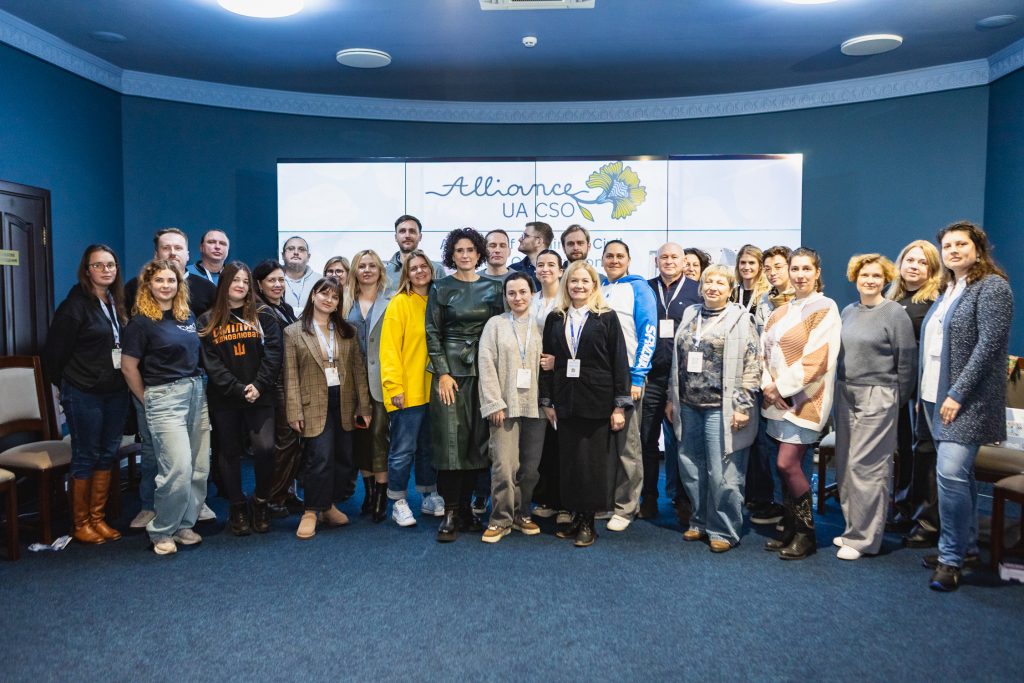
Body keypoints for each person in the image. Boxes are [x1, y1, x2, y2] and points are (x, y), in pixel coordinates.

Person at [919, 221, 1013, 591]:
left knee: (951, 475)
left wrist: (957, 393)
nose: (953, 250)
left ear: (979, 248)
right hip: (933, 395)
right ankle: (968, 546)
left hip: (965, 401)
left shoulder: (992, 287)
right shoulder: (948, 288)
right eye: (947, 245)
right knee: (961, 477)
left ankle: (951, 558)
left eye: (962, 244)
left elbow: (989, 347)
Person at [124, 228, 218, 529]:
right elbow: (129, 362)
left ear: (188, 255)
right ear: (156, 255)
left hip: (194, 388)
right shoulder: (135, 300)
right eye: (167, 248)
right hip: (155, 392)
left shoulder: (198, 298)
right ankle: (151, 507)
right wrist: (146, 398)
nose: (173, 253)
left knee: (196, 459)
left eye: (179, 248)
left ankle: (191, 510)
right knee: (157, 454)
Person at [667, 264, 760, 552]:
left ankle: (725, 529)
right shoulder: (690, 314)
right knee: (692, 468)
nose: (713, 287)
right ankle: (699, 521)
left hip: (723, 407)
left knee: (723, 472)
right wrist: (672, 399)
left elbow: (752, 365)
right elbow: (677, 361)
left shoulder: (742, 319)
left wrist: (743, 406)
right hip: (688, 404)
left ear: (730, 289)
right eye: (709, 282)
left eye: (720, 283)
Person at [539, 260, 631, 547]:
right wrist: (547, 401)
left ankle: (589, 521)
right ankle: (576, 516)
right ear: (566, 284)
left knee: (591, 465)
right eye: (573, 281)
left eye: (584, 281)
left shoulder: (607, 317)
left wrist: (619, 405)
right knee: (569, 463)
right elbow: (545, 362)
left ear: (594, 285)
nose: (578, 286)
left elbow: (618, 363)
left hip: (597, 401)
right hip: (565, 401)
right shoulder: (556, 317)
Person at [43, 244, 130, 544]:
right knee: (86, 455)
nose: (106, 270)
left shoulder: (115, 301)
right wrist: (67, 386)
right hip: (83, 393)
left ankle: (97, 518)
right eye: (98, 265)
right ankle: (80, 523)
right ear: (87, 270)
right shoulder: (74, 306)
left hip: (115, 391)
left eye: (111, 265)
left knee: (108, 453)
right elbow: (54, 356)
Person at [833, 254, 916, 560]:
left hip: (878, 396)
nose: (870, 280)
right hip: (846, 393)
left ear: (886, 280)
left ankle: (864, 539)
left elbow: (907, 362)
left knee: (866, 468)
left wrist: (895, 400)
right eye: (865, 275)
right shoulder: (848, 311)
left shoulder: (894, 313)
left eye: (877, 276)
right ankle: (852, 528)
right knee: (845, 465)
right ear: (855, 278)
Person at [760, 247, 841, 560]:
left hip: (806, 401)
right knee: (782, 469)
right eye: (796, 269)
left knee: (787, 463)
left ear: (817, 272)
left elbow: (818, 359)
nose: (801, 275)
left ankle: (807, 535)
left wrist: (780, 386)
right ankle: (791, 530)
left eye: (807, 269)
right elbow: (763, 354)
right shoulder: (778, 311)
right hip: (775, 400)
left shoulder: (826, 308)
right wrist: (768, 386)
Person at [426, 228, 505, 542]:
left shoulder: (493, 288)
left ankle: (468, 511)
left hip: (483, 372)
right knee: (450, 444)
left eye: (470, 249)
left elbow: (500, 329)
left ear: (479, 253)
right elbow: (432, 332)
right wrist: (443, 372)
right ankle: (449, 512)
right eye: (459, 250)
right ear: (452, 255)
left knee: (476, 443)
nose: (465, 255)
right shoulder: (441, 287)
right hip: (450, 377)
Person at [283, 277, 372, 540]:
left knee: (344, 458)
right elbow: (290, 376)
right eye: (323, 294)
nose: (328, 300)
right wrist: (294, 411)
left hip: (343, 400)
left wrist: (364, 406)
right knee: (319, 457)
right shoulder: (293, 332)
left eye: (334, 297)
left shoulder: (348, 331)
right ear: (313, 296)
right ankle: (310, 511)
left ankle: (328, 506)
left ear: (338, 303)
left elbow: (358, 371)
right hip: (313, 402)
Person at [199, 261, 283, 535]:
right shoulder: (207, 320)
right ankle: (237, 506)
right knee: (229, 452)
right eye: (235, 280)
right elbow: (211, 362)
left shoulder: (264, 314)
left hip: (261, 393)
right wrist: (237, 388)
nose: (240, 285)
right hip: (226, 397)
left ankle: (260, 501)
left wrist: (258, 385)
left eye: (245, 281)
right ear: (224, 283)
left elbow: (274, 353)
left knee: (265, 449)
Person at [477, 272, 546, 543]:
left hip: (536, 407)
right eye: (512, 293)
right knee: (504, 466)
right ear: (505, 297)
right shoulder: (495, 324)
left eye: (522, 292)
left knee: (530, 468)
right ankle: (500, 518)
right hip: (504, 406)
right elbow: (486, 363)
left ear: (532, 293)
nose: (517, 297)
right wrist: (494, 402)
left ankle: (521, 513)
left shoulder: (542, 323)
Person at [344, 250, 409, 522]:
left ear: (381, 270)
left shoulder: (393, 299)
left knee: (380, 436)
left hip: (381, 379)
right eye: (362, 266)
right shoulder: (344, 301)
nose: (367, 270)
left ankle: (382, 494)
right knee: (360, 439)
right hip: (350, 379)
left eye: (372, 266)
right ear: (355, 271)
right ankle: (369, 493)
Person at [379, 250, 443, 527]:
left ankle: (429, 495)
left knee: (429, 448)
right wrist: (394, 387)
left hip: (436, 392)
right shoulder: (399, 303)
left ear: (431, 269)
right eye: (413, 268)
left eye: (423, 266)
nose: (419, 271)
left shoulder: (438, 301)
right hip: (407, 390)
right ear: (406, 274)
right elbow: (389, 350)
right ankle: (398, 501)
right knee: (402, 450)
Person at [639, 242, 701, 520]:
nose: (668, 261)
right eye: (663, 257)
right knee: (646, 439)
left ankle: (683, 499)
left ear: (684, 261)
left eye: (674, 257)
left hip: (683, 377)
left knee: (682, 440)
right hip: (651, 375)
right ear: (656, 261)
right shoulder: (645, 289)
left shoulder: (696, 289)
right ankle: (649, 497)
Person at [887, 240, 942, 548]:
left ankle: (926, 519)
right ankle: (905, 507)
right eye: (910, 260)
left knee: (923, 454)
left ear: (932, 269)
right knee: (905, 452)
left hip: (922, 392)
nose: (914, 266)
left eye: (922, 262)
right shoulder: (892, 298)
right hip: (896, 388)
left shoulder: (934, 301)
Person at [600, 239, 657, 532]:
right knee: (606, 443)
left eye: (619, 256)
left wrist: (638, 376)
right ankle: (608, 502)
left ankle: (626, 507)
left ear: (629, 259)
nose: (613, 260)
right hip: (599, 378)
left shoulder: (639, 288)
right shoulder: (597, 287)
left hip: (628, 378)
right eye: (609, 255)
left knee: (628, 444)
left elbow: (649, 332)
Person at [747, 245, 794, 527]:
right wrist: (767, 384)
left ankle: (795, 511)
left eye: (778, 266)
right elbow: (759, 346)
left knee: (791, 457)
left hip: (794, 390)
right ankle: (778, 503)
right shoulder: (764, 300)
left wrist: (783, 386)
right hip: (767, 388)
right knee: (769, 450)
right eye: (769, 268)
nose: (773, 272)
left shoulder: (805, 302)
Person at [253, 259, 303, 517]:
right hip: (277, 384)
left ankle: (285, 492)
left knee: (292, 442)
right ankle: (273, 497)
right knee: (284, 442)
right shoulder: (262, 311)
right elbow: (274, 352)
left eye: (281, 280)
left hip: (290, 379)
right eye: (271, 280)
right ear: (259, 284)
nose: (277, 284)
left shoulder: (283, 307)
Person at [530, 249, 569, 524]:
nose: (545, 269)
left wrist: (560, 361)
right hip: (531, 378)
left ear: (560, 269)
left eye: (551, 264)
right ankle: (545, 497)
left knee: (563, 441)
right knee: (540, 442)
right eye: (540, 264)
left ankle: (566, 503)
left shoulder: (569, 302)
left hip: (562, 378)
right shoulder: (528, 300)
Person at [384, 215, 446, 293]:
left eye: (412, 231)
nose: (407, 235)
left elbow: (445, 301)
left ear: (420, 236)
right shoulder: (384, 273)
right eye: (402, 231)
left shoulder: (436, 269)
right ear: (396, 237)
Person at [509, 220, 553, 287]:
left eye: (525, 236)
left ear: (538, 241)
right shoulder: (513, 270)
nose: (520, 239)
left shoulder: (558, 271)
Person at [731, 244, 770, 318]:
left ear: (760, 266)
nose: (746, 267)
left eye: (751, 263)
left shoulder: (768, 295)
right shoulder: (732, 294)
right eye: (743, 262)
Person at [281, 236, 317, 316]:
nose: (296, 252)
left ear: (308, 257)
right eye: (291, 248)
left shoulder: (320, 280)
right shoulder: (272, 280)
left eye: (301, 249)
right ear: (283, 255)